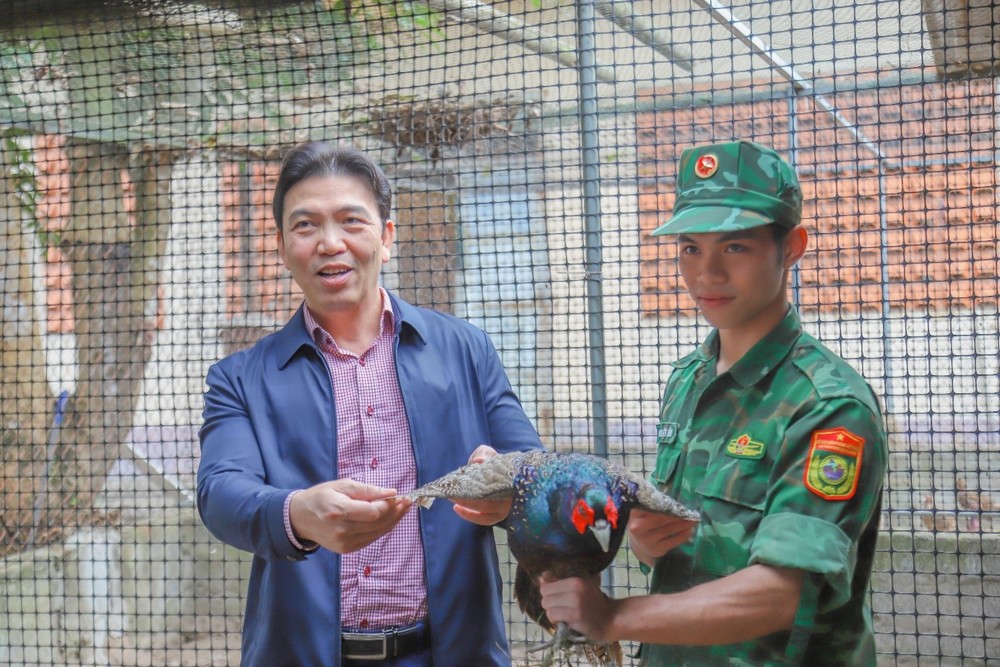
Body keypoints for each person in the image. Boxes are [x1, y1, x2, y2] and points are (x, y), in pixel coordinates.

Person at [539, 140, 888, 665]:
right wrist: (647, 544)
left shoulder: (828, 405)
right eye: (690, 248)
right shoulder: (689, 379)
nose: (707, 274)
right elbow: (677, 551)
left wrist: (612, 617)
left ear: (791, 247)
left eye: (735, 247)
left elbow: (782, 594)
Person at [197, 141, 543, 666]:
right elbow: (221, 492)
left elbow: (534, 469)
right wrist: (297, 513)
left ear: (386, 237)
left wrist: (507, 486)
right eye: (306, 225)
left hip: (450, 654)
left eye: (351, 221)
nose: (330, 243)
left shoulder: (466, 349)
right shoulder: (240, 378)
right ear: (282, 246)